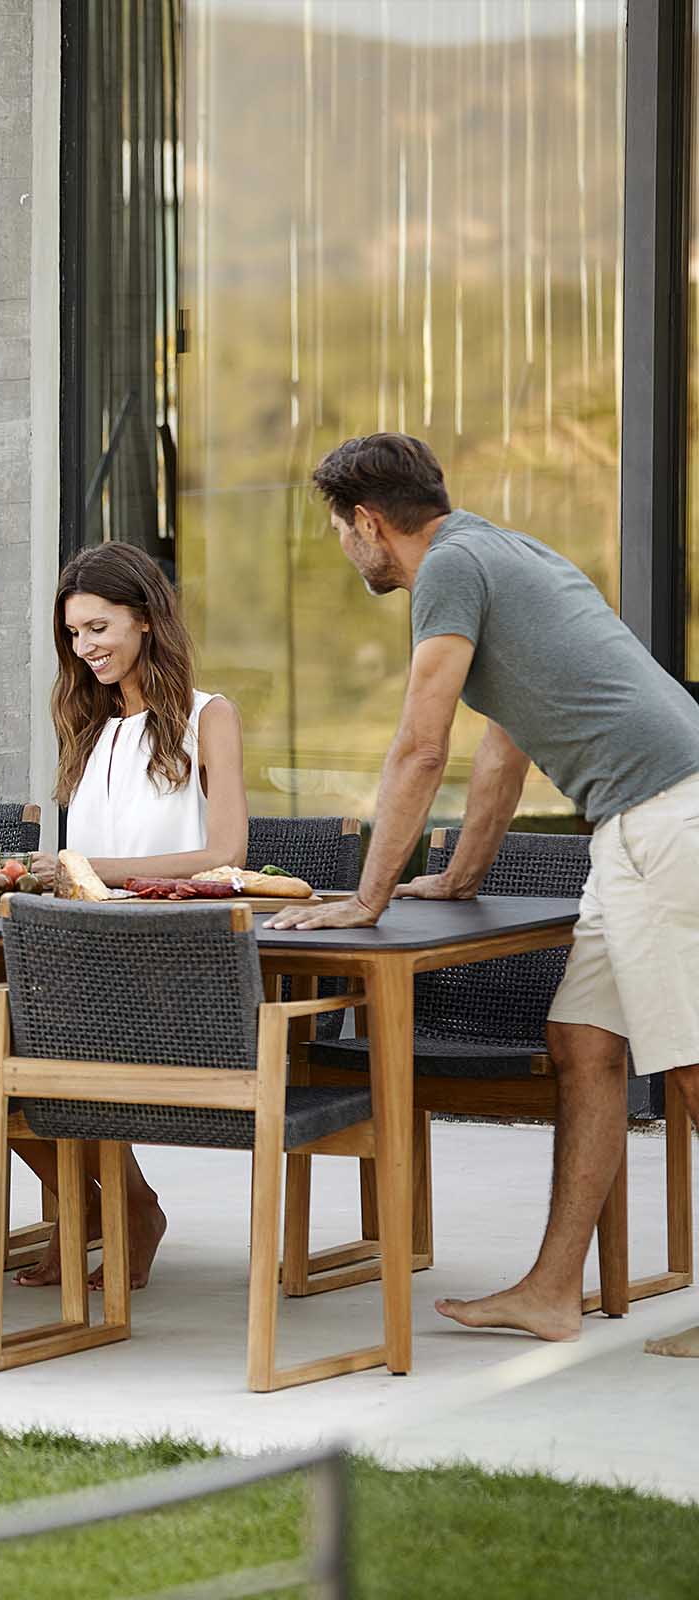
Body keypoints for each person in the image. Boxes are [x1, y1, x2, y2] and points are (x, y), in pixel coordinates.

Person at [269, 432, 699, 1358]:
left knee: (691, 1063)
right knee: (584, 1045)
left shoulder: (449, 572)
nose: (347, 550)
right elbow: (507, 739)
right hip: (646, 821)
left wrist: (365, 899)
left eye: (342, 531)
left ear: (370, 524)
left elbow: (421, 745)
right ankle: (550, 1291)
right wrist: (462, 874)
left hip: (665, 818)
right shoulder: (503, 550)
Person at [18, 543, 249, 1290]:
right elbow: (76, 863)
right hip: (86, 951)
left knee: (46, 1047)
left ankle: (109, 1213)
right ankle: (110, 1207)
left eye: (98, 628)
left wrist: (90, 871)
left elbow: (226, 853)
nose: (85, 649)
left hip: (174, 960)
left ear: (145, 620)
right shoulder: (86, 723)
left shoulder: (209, 717)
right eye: (74, 636)